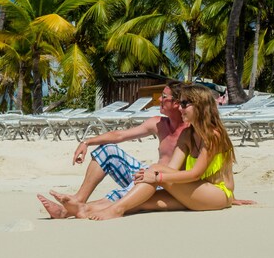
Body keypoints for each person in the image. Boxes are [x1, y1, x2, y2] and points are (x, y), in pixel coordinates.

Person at [58, 84, 237, 220]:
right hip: (195, 190)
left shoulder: (213, 135)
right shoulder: (186, 135)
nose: (180, 107)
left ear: (199, 105)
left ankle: (114, 210)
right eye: (180, 103)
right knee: (141, 202)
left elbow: (195, 174)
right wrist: (155, 175)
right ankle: (84, 209)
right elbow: (171, 168)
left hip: (216, 193)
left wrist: (157, 177)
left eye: (184, 103)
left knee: (154, 171)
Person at [36, 81, 188, 219]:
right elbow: (119, 135)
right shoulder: (158, 123)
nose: (159, 100)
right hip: (150, 173)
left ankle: (67, 211)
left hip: (167, 181)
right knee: (107, 150)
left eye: (163, 97)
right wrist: (87, 142)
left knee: (133, 186)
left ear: (176, 103)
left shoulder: (190, 130)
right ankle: (79, 199)